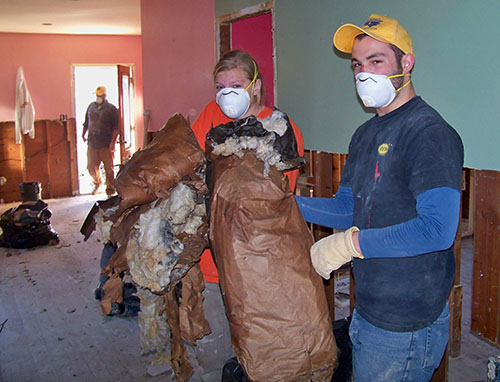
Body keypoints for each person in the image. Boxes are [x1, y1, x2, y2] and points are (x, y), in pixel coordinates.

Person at [295, 14, 464, 381]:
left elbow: (437, 230)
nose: (362, 74)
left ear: (406, 63)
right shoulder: (364, 134)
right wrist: (287, 204)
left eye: (376, 61)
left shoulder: (429, 133)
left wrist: (350, 244)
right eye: (357, 65)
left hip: (406, 323)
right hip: (369, 309)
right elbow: (346, 207)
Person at [190, 50, 304, 379]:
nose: (227, 93)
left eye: (236, 84)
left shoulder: (280, 128)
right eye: (220, 85)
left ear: (255, 86)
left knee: (261, 355)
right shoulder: (211, 114)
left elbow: (279, 201)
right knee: (212, 353)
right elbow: (191, 164)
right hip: (212, 264)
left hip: (259, 266)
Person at [82, 86, 119, 197]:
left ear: (104, 96)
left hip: (106, 144)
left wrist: (112, 143)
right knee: (91, 166)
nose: (98, 98)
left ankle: (110, 189)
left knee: (108, 168)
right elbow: (86, 122)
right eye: (97, 96)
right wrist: (83, 134)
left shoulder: (111, 109)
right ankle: (97, 182)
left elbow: (116, 128)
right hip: (92, 143)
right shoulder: (91, 107)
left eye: (100, 96)